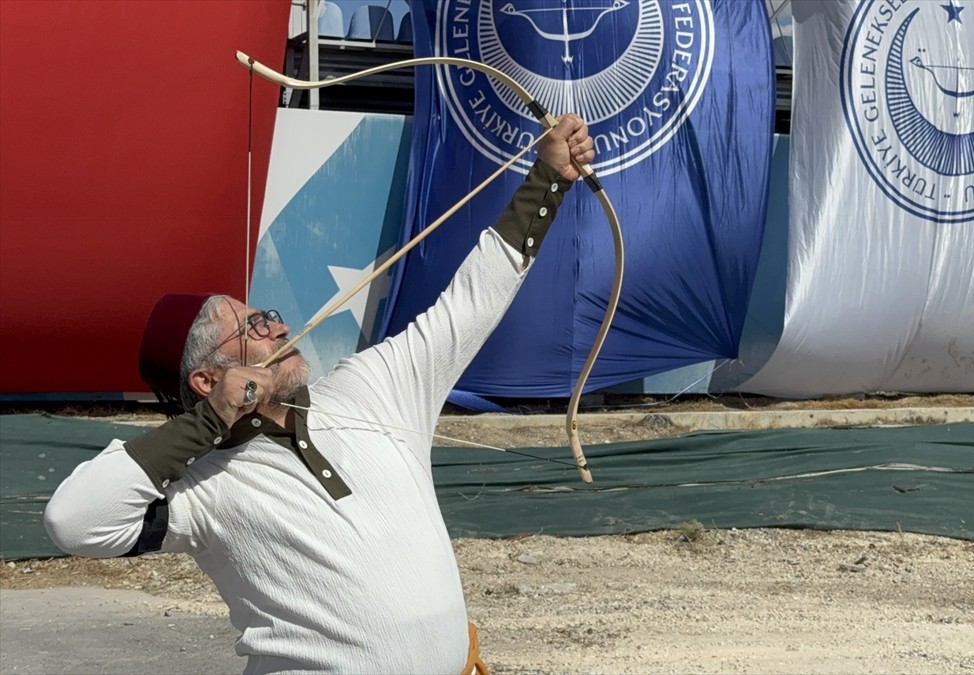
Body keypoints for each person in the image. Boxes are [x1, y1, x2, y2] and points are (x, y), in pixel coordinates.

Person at [43, 115, 596, 674]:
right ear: (207, 381)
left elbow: (472, 302)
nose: (279, 329)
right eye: (253, 328)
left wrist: (547, 177)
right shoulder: (201, 487)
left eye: (270, 317)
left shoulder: (372, 388)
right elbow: (73, 522)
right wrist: (210, 422)